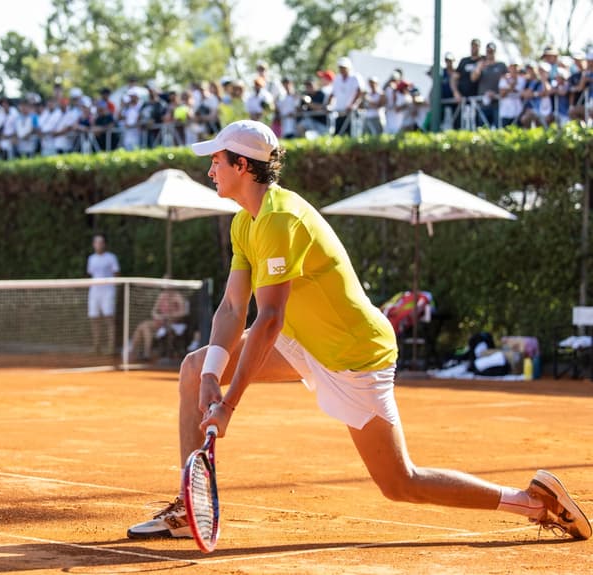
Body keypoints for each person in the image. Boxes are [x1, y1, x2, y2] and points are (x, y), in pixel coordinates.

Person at [126, 119, 591, 542]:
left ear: (242, 166)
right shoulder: (244, 223)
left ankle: (533, 502)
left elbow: (268, 319)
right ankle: (189, 509)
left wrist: (228, 404)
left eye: (216, 160)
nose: (210, 169)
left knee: (400, 483)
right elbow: (232, 306)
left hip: (354, 354)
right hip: (306, 342)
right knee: (192, 368)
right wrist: (211, 375)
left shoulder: (279, 219)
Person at [128, 281, 189, 363]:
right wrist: (158, 316)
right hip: (160, 321)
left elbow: (184, 312)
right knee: (143, 326)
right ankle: (135, 352)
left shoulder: (177, 296)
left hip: (172, 322)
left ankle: (145, 353)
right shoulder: (162, 295)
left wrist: (170, 315)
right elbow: (153, 311)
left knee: (145, 327)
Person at [87, 234, 120, 355]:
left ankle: (111, 348)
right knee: (94, 318)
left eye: (101, 242)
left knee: (109, 318)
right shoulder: (91, 259)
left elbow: (116, 273)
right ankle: (96, 346)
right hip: (94, 292)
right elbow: (91, 274)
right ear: (93, 245)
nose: (98, 245)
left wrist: (114, 289)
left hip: (108, 291)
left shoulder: (111, 258)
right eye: (96, 242)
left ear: (104, 244)